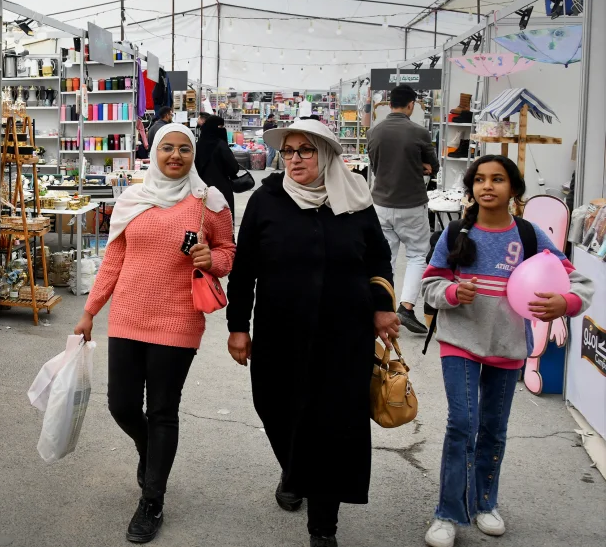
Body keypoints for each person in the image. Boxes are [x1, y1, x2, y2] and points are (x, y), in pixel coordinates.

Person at [227, 119, 397, 547]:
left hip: (345, 335)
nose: (295, 159)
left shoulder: (355, 200)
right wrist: (237, 326)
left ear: (326, 154)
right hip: (280, 332)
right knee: (275, 408)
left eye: (305, 150)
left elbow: (379, 259)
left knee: (333, 425)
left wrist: (382, 307)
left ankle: (323, 526)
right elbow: (244, 269)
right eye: (288, 151)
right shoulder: (267, 200)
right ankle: (294, 469)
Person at [73, 124, 235, 544]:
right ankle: (150, 450)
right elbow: (114, 259)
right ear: (154, 153)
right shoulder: (133, 199)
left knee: (163, 409)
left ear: (193, 154)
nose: (175, 156)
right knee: (122, 405)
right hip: (128, 315)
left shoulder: (208, 201)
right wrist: (90, 312)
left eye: (184, 149)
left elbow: (228, 252)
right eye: (167, 148)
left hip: (178, 319)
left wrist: (212, 259)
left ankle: (152, 500)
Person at [421, 156, 593, 547]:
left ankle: (485, 503)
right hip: (460, 343)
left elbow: (577, 282)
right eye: (480, 179)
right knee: (462, 424)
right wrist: (452, 292)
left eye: (497, 179)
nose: (487, 186)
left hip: (508, 346)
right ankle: (448, 513)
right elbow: (430, 285)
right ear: (471, 188)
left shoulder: (530, 236)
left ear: (513, 189)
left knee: (493, 429)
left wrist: (565, 303)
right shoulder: (456, 234)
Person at [367, 84, 439, 335]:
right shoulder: (419, 132)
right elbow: (434, 166)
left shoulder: (374, 132)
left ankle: (381, 306)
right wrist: (419, 166)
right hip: (411, 203)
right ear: (411, 105)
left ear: (390, 104)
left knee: (384, 256)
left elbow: (375, 166)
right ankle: (406, 307)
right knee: (417, 255)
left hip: (380, 202)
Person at [195, 115, 241, 221]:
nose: (223, 130)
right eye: (220, 127)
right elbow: (234, 168)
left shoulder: (197, 145)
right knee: (223, 223)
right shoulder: (221, 145)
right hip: (221, 190)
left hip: (201, 190)